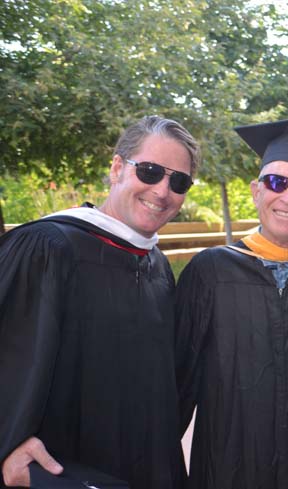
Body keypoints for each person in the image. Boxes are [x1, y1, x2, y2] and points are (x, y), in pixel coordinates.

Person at [0, 115, 200, 489]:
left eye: (179, 181)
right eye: (151, 171)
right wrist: (6, 446)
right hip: (67, 472)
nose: (162, 190)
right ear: (117, 168)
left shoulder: (156, 265)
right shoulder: (49, 247)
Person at [175, 115, 288, 489]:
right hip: (228, 465)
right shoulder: (209, 272)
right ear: (255, 190)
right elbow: (177, 378)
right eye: (276, 182)